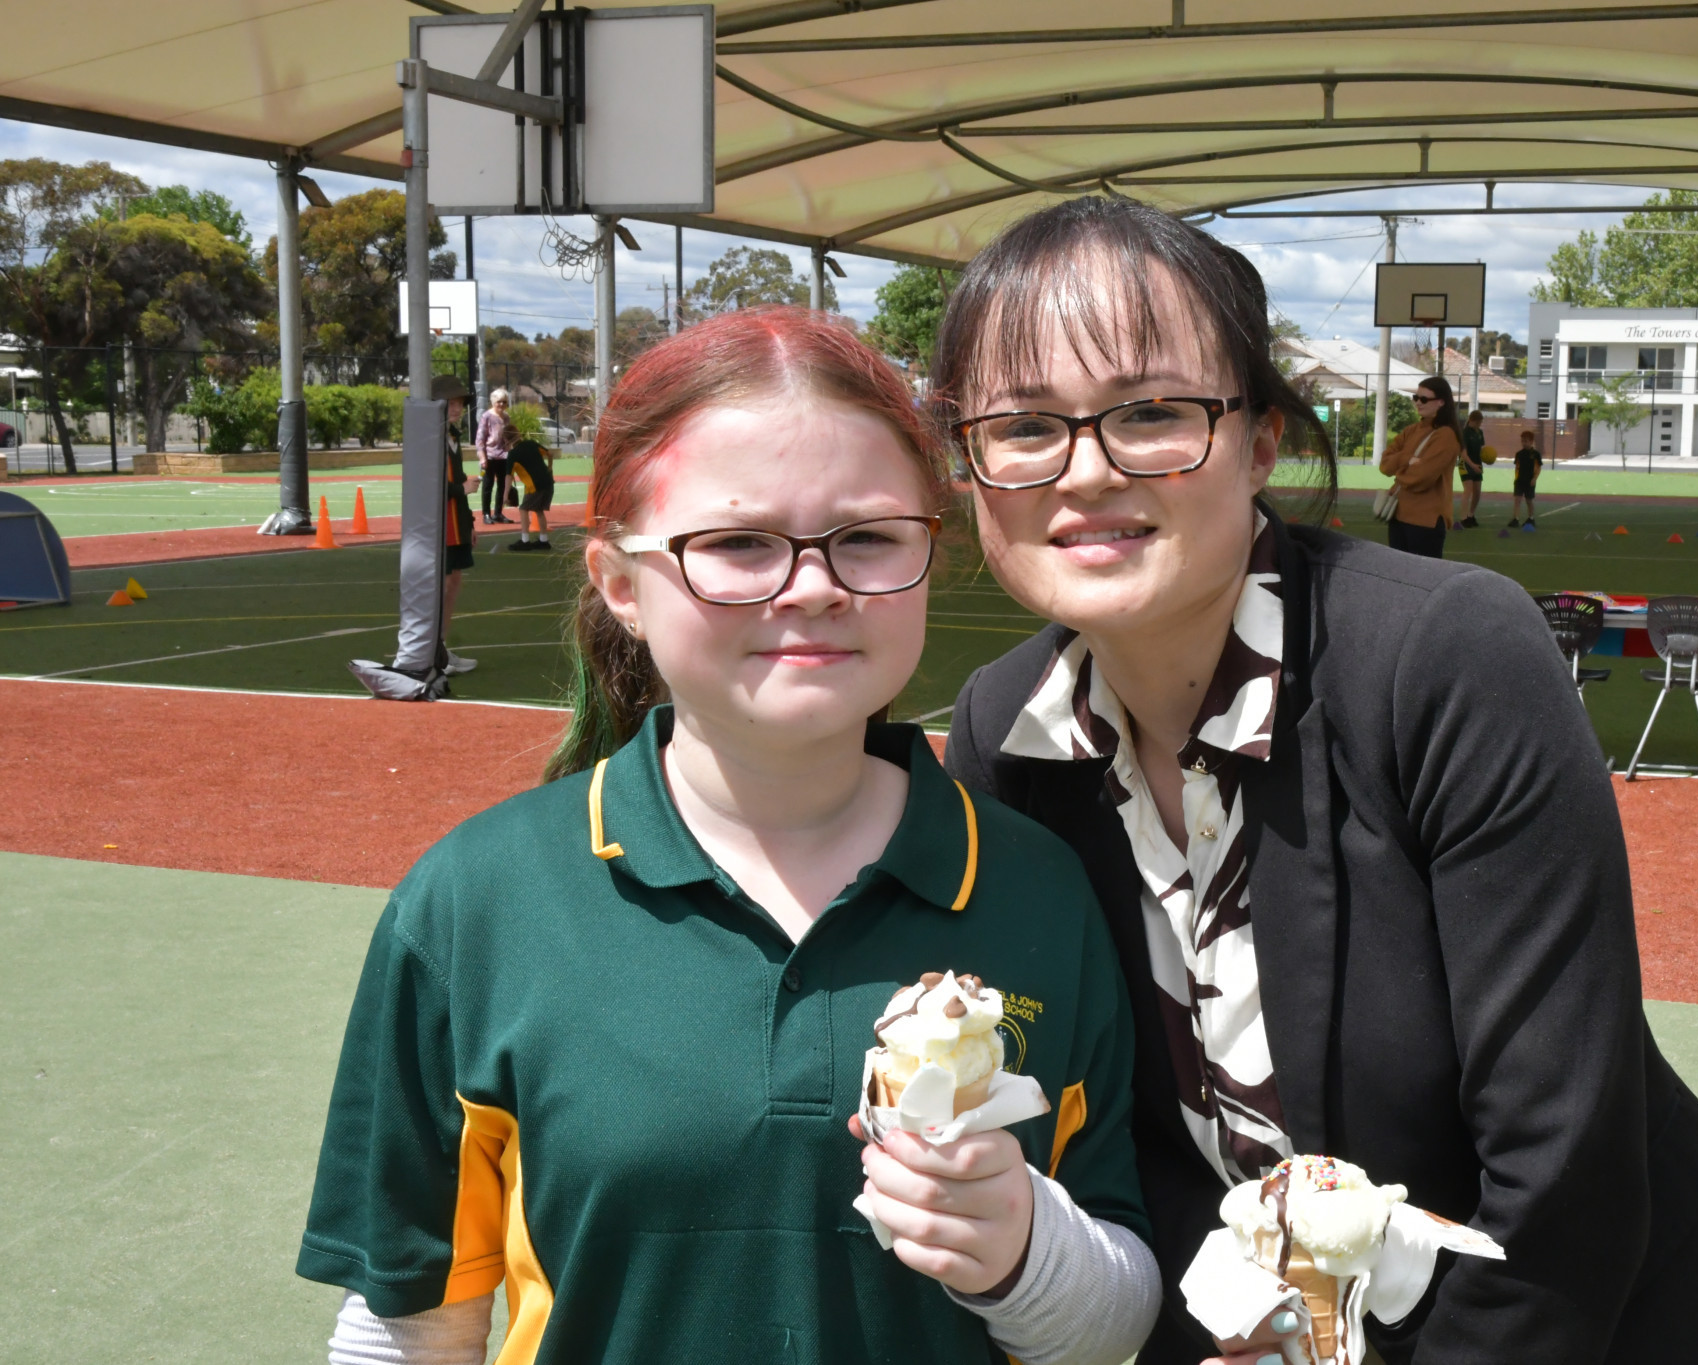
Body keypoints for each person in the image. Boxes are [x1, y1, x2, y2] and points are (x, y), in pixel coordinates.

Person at [931, 196, 1698, 1365]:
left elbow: (1561, 1171)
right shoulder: (1005, 734)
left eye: (1152, 412)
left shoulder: (1443, 657)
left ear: (1261, 442)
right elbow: (1095, 1140)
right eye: (1022, 426)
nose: (1086, 470)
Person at [298, 308, 1160, 1365]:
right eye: (739, 544)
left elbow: (1118, 1312)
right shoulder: (476, 902)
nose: (815, 587)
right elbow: (407, 1325)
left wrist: (1023, 1251)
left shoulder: (1037, 889)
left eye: (868, 537)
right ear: (620, 583)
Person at [1376, 374, 1461, 558]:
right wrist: (1408, 459)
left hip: (1426, 522)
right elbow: (1384, 466)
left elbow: (1421, 478)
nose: (1418, 403)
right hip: (1397, 515)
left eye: (1424, 399)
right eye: (1416, 398)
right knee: (1399, 572)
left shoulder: (1445, 435)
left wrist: (1399, 474)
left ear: (1441, 402)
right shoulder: (1411, 431)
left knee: (1423, 575)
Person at [432, 374, 482, 674]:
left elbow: (457, 480)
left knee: (453, 582)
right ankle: (432, 650)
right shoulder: (431, 437)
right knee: (440, 585)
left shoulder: (452, 436)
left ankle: (440, 647)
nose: (456, 408)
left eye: (459, 403)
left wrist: (470, 522)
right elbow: (429, 484)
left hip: (455, 522)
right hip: (439, 525)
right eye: (450, 402)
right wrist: (460, 489)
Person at [504, 434, 556, 552]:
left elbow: (508, 476)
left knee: (523, 509)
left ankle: (525, 541)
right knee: (539, 510)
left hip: (535, 486)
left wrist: (505, 495)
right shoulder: (531, 443)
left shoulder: (513, 454)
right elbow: (550, 454)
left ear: (507, 440)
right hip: (548, 482)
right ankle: (543, 541)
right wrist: (550, 467)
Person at [477, 387, 516, 523]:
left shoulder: (506, 417)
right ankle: (486, 514)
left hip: (504, 456)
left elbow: (508, 436)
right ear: (493, 402)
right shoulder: (486, 416)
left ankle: (498, 513)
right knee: (488, 485)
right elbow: (480, 439)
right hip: (489, 456)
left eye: (504, 402)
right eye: (499, 401)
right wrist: (482, 457)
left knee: (502, 486)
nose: (502, 404)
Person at [1456, 406, 1487, 527]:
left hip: (1477, 464)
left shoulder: (1480, 432)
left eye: (1481, 423)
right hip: (1465, 464)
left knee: (1477, 493)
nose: (1479, 425)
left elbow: (1481, 450)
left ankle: (1471, 515)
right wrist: (1472, 465)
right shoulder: (1465, 433)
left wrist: (1487, 457)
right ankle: (1463, 518)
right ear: (1472, 420)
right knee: (1468, 490)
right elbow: (1463, 453)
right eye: (1478, 422)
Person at [1510, 427, 1542, 527]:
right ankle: (1516, 518)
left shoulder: (1536, 454)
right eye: (1522, 441)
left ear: (1531, 441)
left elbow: (1538, 468)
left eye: (1526, 441)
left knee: (1529, 500)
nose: (1524, 443)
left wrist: (1534, 478)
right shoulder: (1519, 454)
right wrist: (1516, 479)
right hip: (1519, 481)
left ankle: (1531, 518)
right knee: (1517, 500)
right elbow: (1517, 467)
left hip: (1530, 481)